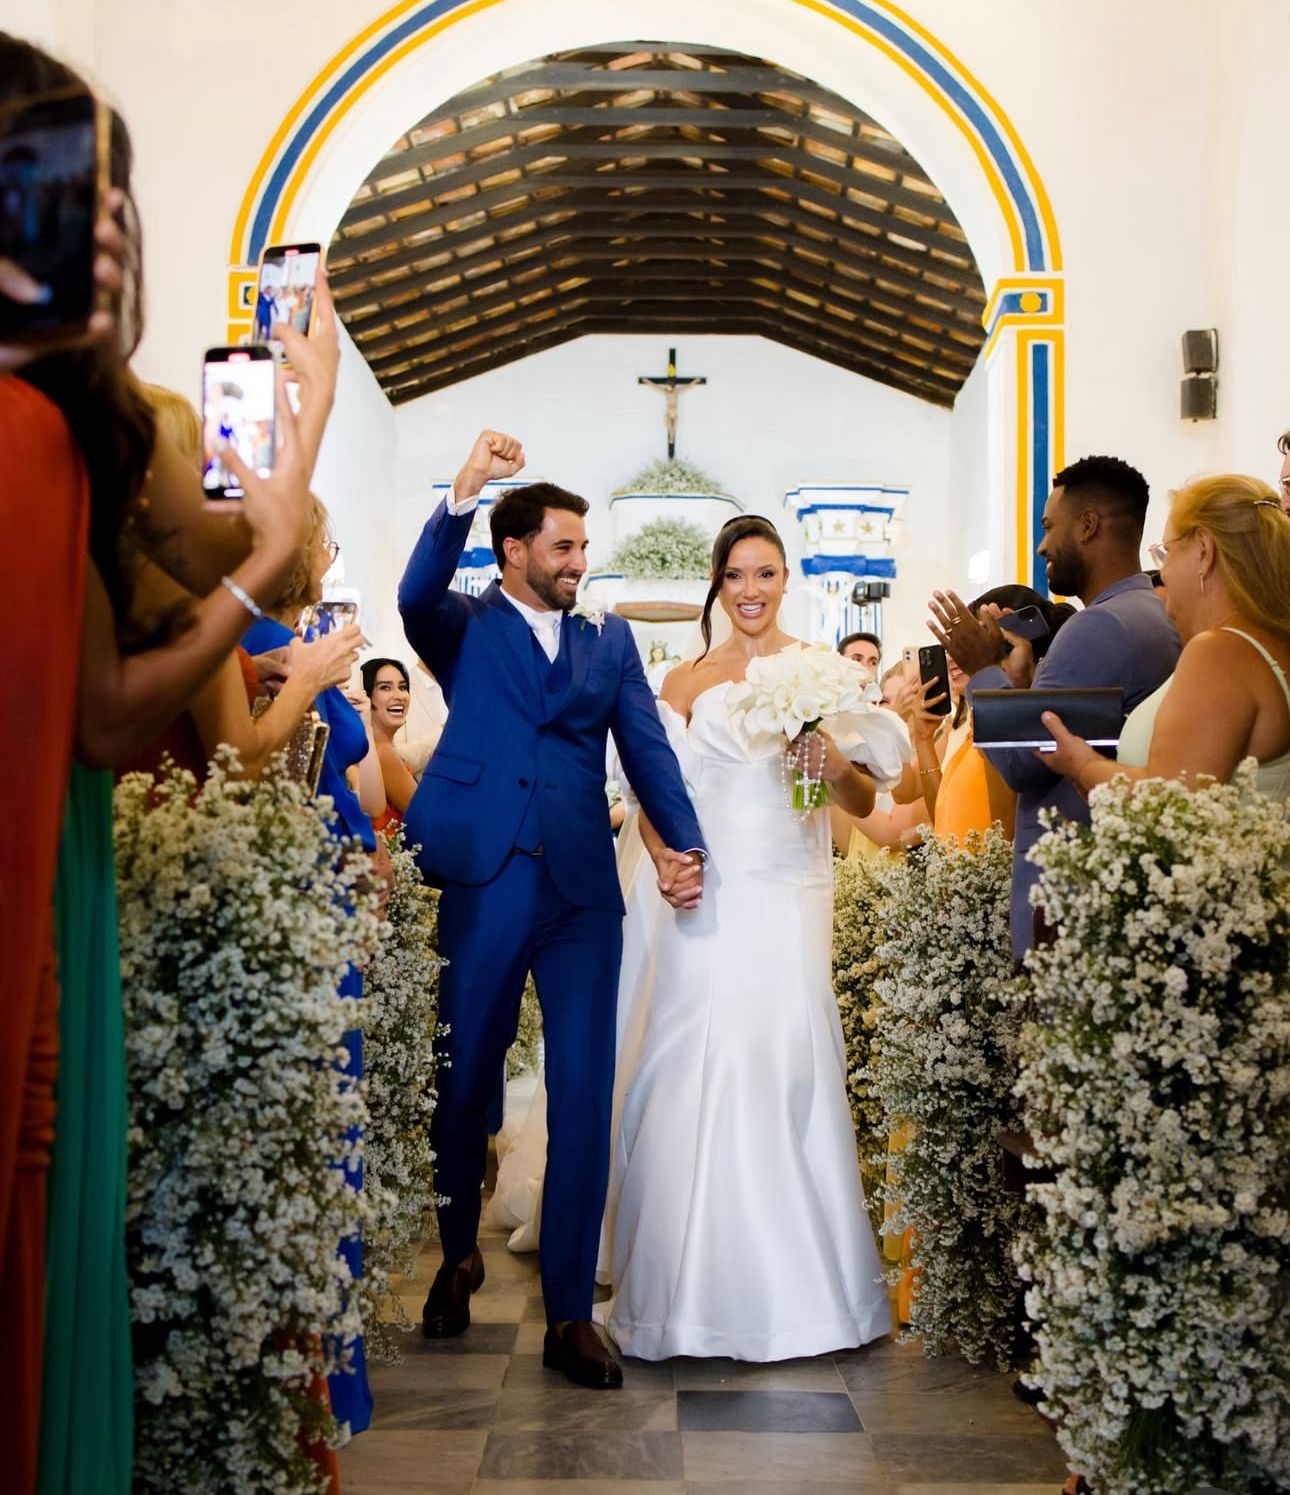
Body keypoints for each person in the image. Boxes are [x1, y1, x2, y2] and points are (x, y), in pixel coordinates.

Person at [398, 431, 707, 1391]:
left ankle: (571, 1311)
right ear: (517, 551)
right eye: (564, 547)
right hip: (485, 876)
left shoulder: (608, 641)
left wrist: (683, 842)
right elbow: (414, 594)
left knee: (584, 1094)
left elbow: (647, 748)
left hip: (580, 888)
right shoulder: (460, 626)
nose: (581, 562)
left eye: (584, 547)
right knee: (460, 1082)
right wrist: (464, 489)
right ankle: (457, 1253)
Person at [602, 515, 903, 1361]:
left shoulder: (824, 671)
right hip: (707, 889)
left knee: (786, 1054)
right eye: (735, 575)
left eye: (765, 573)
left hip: (791, 884)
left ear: (785, 577)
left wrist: (827, 758)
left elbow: (859, 806)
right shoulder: (683, 682)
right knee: (691, 1053)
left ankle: (804, 1284)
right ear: (716, 582)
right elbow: (653, 793)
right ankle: (681, 1284)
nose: (750, 590)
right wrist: (669, 859)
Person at [930, 455, 1181, 956]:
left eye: (1049, 526)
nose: (1042, 544)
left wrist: (983, 671)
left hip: (1070, 906)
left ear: (1087, 525)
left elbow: (1027, 763)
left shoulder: (1101, 626)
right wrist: (1017, 685)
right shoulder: (1148, 613)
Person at [1040, 475, 1289, 797]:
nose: (1164, 570)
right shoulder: (1270, 641)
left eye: (1166, 552)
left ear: (1204, 550)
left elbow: (1171, 799)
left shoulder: (1221, 651)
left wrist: (1082, 763)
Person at [361, 656, 419, 831]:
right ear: (366, 696)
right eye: (385, 687)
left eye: (403, 687)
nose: (399, 696)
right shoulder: (383, 752)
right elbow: (424, 815)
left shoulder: (377, 749)